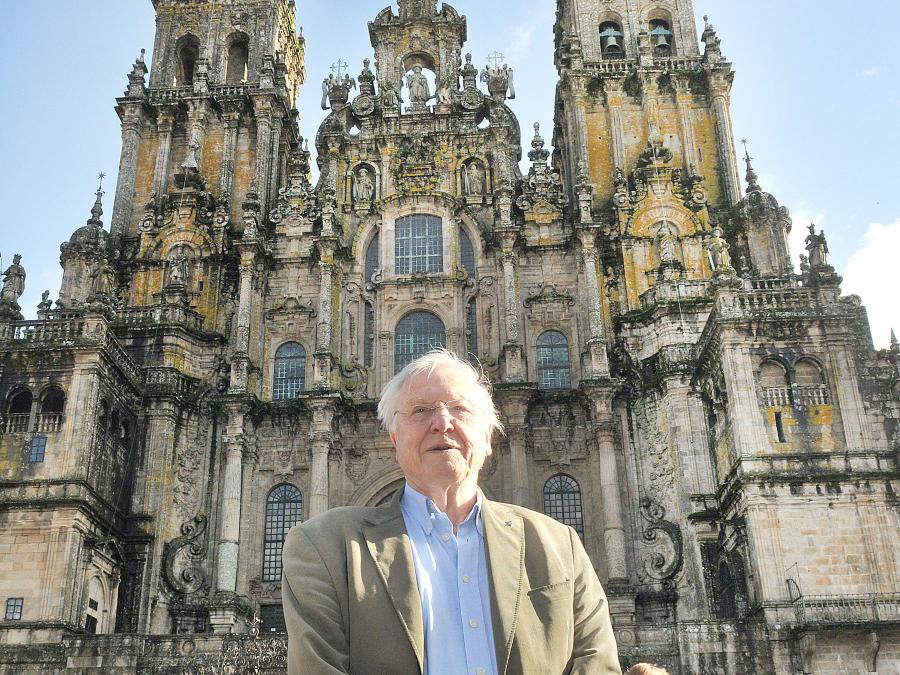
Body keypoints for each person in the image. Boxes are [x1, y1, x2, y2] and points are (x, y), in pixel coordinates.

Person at [282, 349, 621, 674]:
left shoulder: (561, 547)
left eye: (459, 409)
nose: (442, 422)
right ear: (393, 438)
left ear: (488, 437)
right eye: (420, 410)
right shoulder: (324, 548)